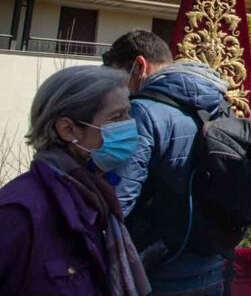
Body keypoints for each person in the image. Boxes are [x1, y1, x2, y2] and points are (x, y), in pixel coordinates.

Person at [0, 65, 150, 296]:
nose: (130, 125)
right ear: (68, 130)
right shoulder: (19, 212)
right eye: (117, 117)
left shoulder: (96, 197)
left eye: (128, 114)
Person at [104, 29, 233, 296]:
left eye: (116, 78)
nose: (116, 89)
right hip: (215, 264)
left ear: (139, 66)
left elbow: (119, 202)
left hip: (160, 271)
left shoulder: (143, 112)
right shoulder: (219, 104)